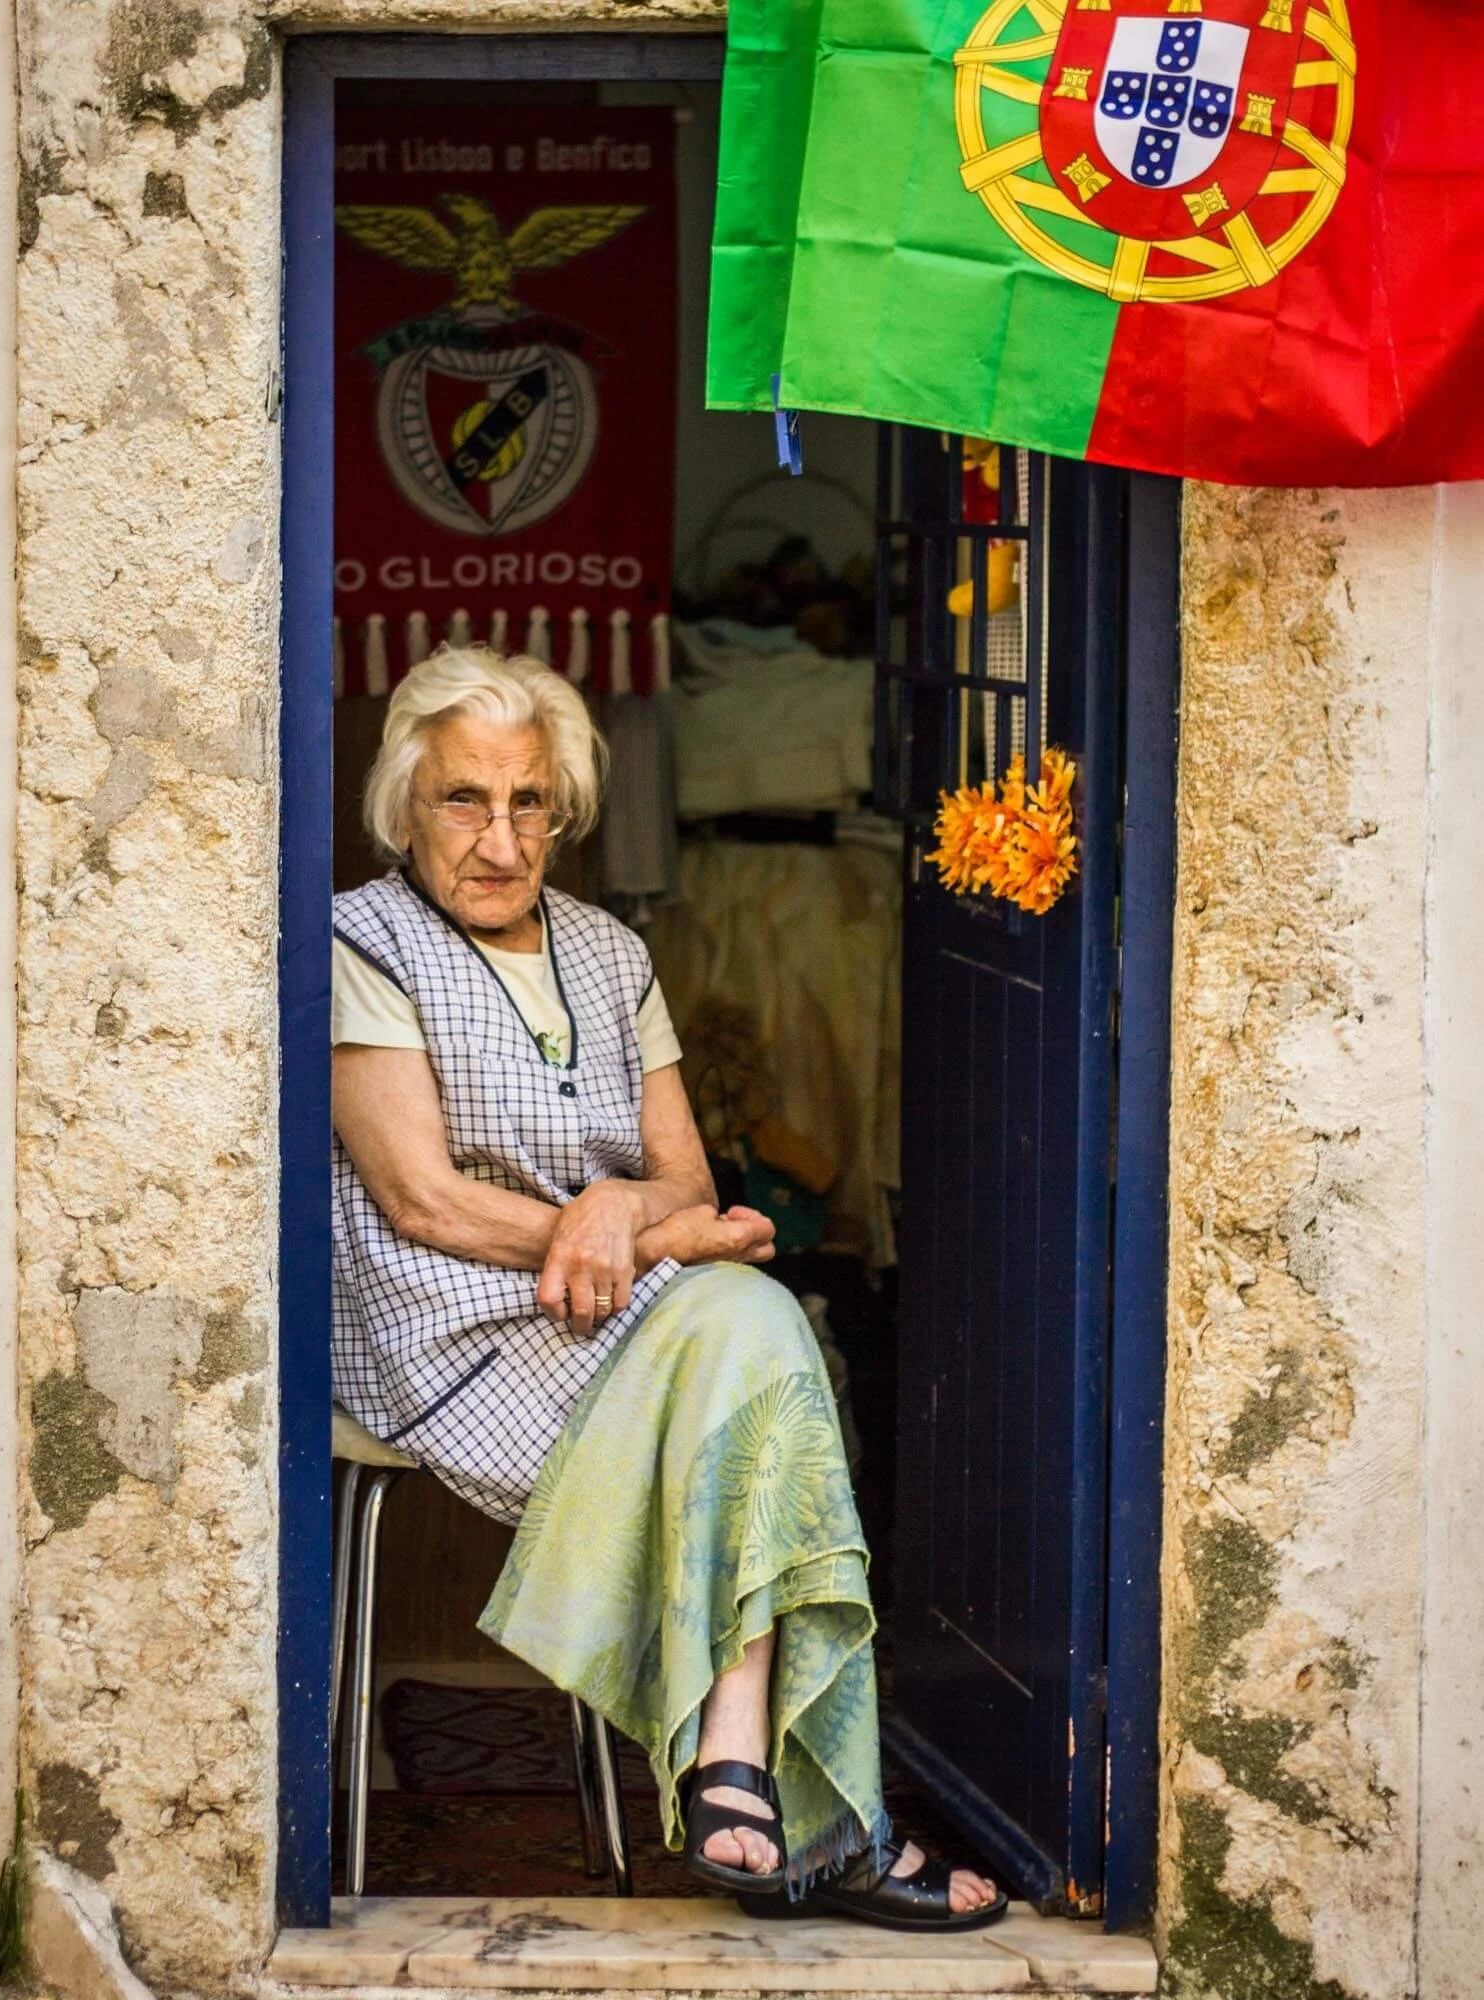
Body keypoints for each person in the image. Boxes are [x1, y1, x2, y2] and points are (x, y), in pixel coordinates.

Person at [331, 645, 1005, 1930]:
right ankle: (831, 1818)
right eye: (462, 799)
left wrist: (617, 1215)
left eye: (529, 801)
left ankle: (737, 1766)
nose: (497, 836)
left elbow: (685, 1178)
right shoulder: (361, 940)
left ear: (567, 810)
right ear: (403, 805)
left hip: (621, 1322)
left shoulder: (607, 948)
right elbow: (424, 1198)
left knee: (754, 1329)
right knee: (760, 1339)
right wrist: (630, 1233)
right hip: (449, 1326)